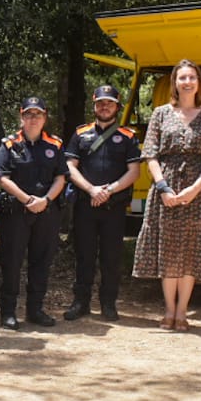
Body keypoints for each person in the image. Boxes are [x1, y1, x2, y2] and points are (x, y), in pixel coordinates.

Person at [133, 59, 201, 331]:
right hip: (165, 189)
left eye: (192, 78)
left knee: (189, 252)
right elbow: (150, 153)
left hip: (197, 191)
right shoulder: (160, 114)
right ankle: (169, 310)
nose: (187, 82)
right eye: (182, 78)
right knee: (169, 251)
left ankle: (183, 311)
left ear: (199, 83)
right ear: (174, 83)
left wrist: (195, 189)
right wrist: (163, 187)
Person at [63, 85, 142, 322]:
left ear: (117, 107)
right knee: (84, 256)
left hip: (114, 206)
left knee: (111, 257)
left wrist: (109, 190)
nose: (104, 107)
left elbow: (134, 171)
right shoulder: (80, 134)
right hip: (85, 205)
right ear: (94, 105)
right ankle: (81, 303)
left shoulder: (128, 136)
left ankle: (108, 303)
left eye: (109, 103)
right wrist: (91, 189)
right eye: (100, 103)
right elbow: (70, 167)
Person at [0, 96, 67, 330]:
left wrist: (45, 200)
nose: (33, 118)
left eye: (38, 114)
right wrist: (27, 200)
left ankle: (35, 310)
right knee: (11, 261)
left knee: (41, 261)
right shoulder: (9, 144)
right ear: (21, 117)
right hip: (16, 212)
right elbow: (2, 177)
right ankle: (8, 312)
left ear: (45, 117)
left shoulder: (55, 145)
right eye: (28, 114)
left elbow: (61, 177)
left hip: (46, 211)